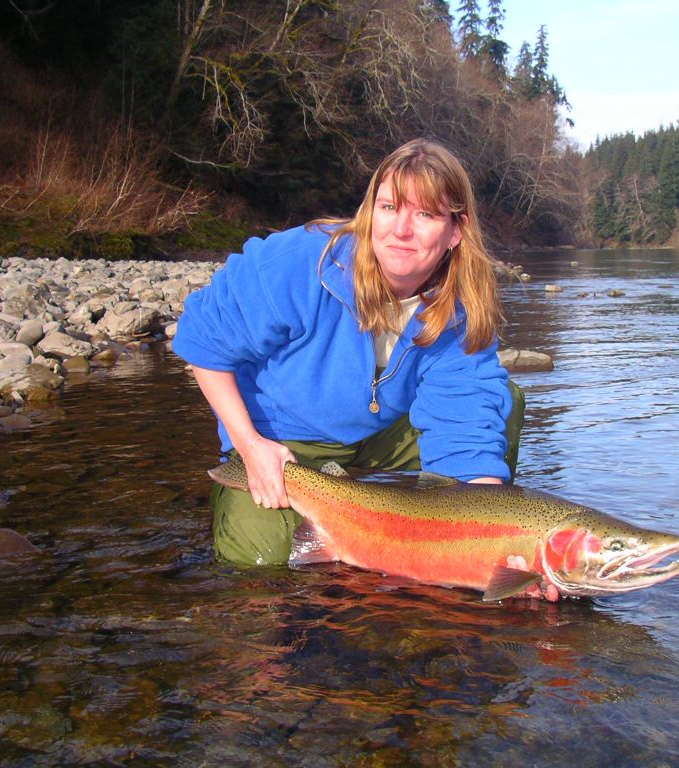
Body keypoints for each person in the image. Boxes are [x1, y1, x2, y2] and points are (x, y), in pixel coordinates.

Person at [172, 138, 524, 566]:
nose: (401, 230)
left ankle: (401, 531)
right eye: (390, 207)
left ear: (456, 230)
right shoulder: (305, 262)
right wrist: (249, 445)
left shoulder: (460, 311)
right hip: (282, 440)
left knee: (504, 403)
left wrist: (499, 548)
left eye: (425, 214)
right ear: (370, 211)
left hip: (382, 437)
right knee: (260, 563)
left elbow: (466, 434)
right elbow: (201, 341)